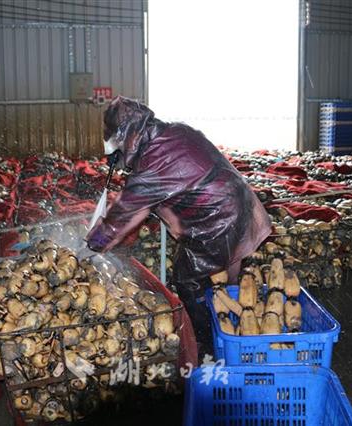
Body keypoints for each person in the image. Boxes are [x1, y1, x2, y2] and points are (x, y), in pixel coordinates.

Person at [86, 96, 271, 357]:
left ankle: (208, 347)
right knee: (229, 275)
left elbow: (126, 213)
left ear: (128, 135)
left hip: (216, 219)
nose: (115, 146)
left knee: (187, 279)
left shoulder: (152, 163)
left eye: (116, 140)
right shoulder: (176, 131)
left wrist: (93, 245)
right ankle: (234, 333)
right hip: (239, 202)